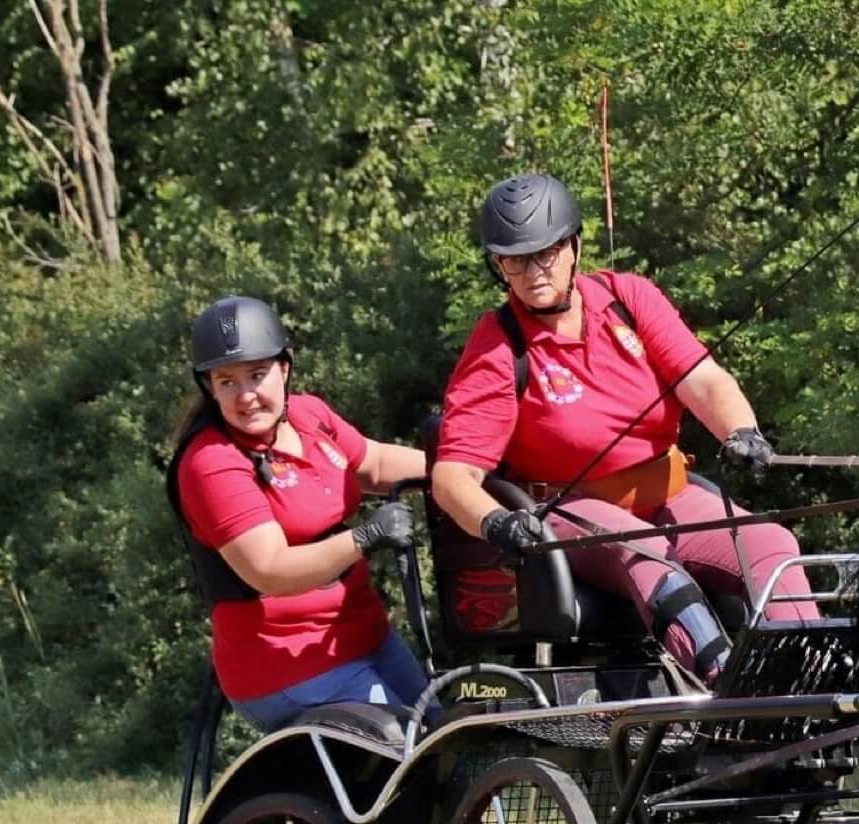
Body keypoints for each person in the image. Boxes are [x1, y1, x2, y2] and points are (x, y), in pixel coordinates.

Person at [431, 173, 816, 684]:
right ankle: (728, 687)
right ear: (498, 264)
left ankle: (809, 677)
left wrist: (741, 431)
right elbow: (453, 477)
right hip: (569, 511)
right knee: (645, 550)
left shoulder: (628, 299)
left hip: (669, 493)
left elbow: (701, 380)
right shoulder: (498, 347)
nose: (532, 270)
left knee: (769, 542)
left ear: (573, 246)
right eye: (514, 259)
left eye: (545, 252)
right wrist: (495, 522)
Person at [171, 295, 431, 730]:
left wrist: (463, 470)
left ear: (284, 369)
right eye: (227, 382)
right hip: (285, 665)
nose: (246, 396)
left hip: (364, 636)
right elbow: (270, 570)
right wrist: (365, 537)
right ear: (209, 387)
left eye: (257, 375)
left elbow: (376, 464)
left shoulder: (311, 416)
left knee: (444, 734)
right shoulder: (212, 463)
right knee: (408, 748)